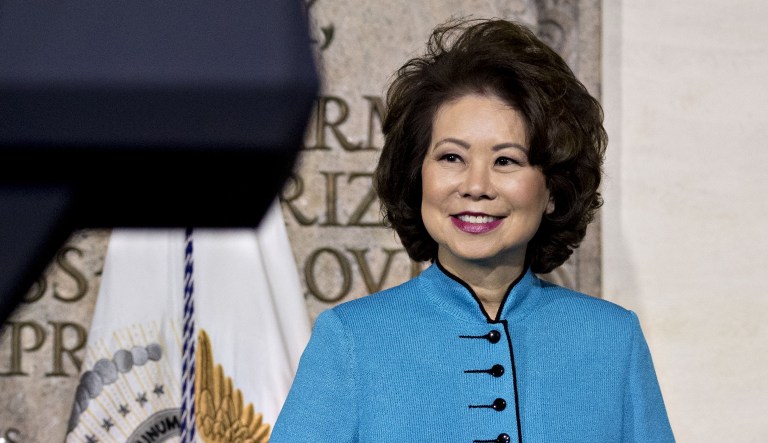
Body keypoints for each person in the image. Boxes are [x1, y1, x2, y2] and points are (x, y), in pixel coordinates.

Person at [271, 18, 675, 442]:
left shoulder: (613, 338)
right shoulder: (350, 339)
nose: (476, 187)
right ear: (417, 175)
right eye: (451, 158)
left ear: (553, 188)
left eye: (506, 161)